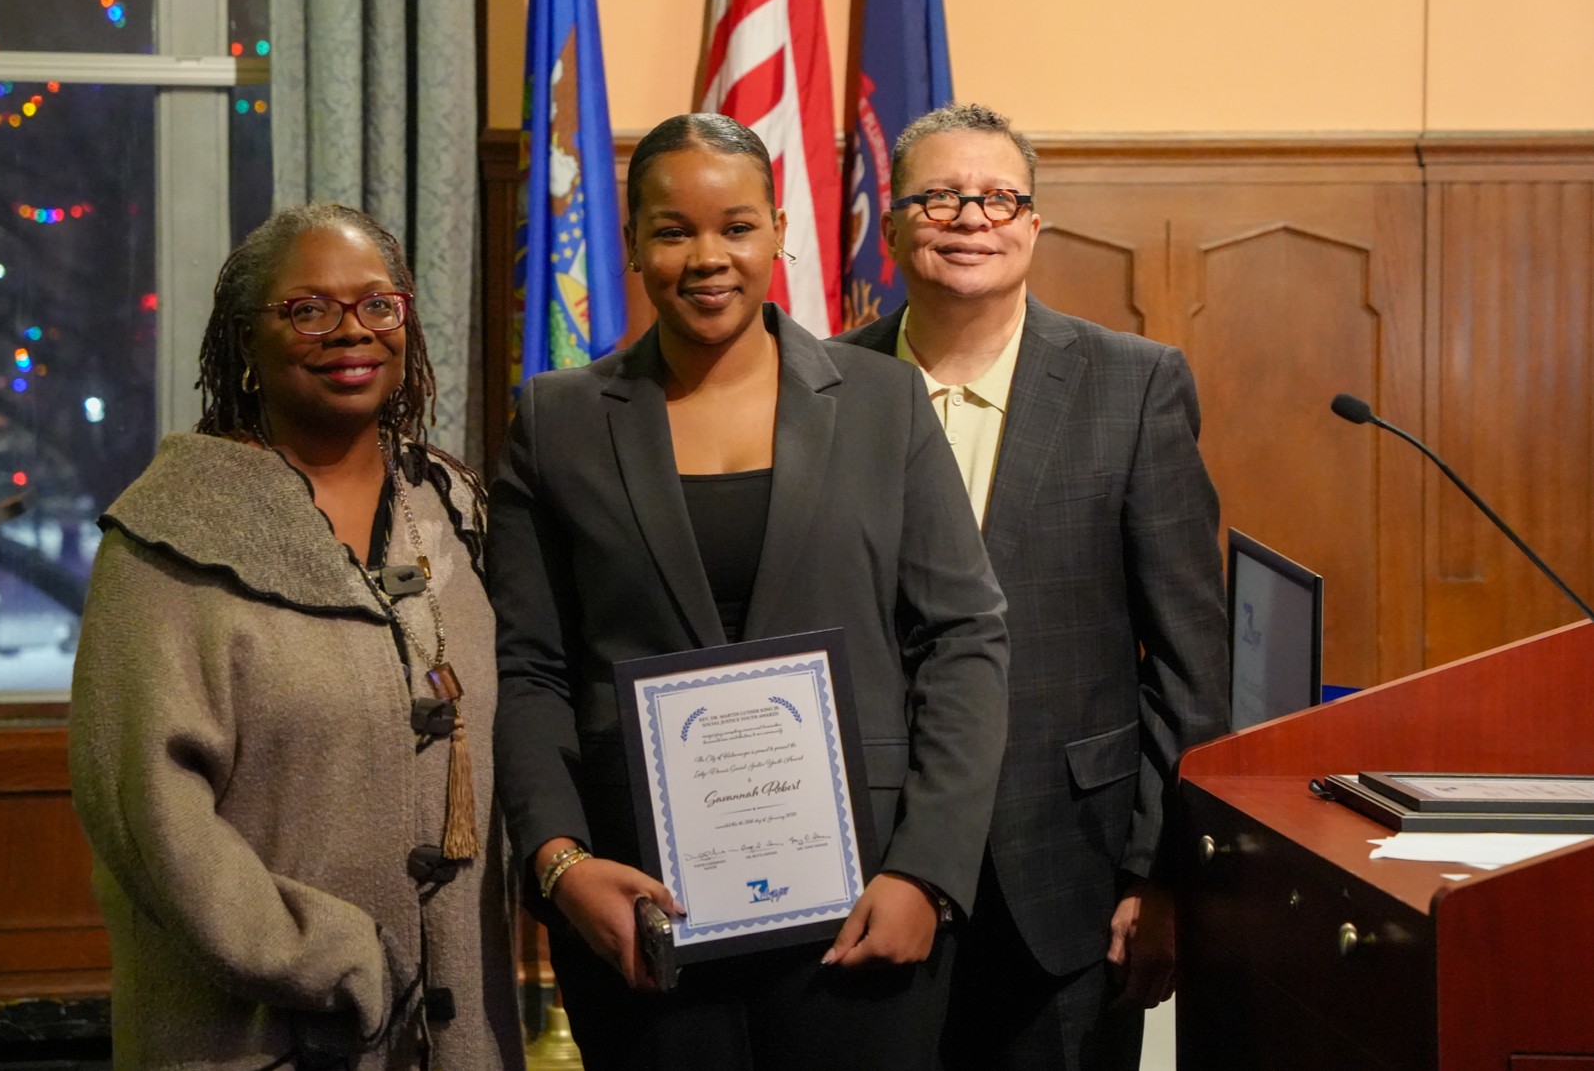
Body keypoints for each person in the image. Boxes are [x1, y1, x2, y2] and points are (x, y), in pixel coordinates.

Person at [490, 113, 1011, 1071]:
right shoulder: (556, 422)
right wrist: (561, 866)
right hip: (644, 906)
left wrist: (927, 872)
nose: (705, 258)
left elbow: (965, 638)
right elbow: (526, 666)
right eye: (672, 230)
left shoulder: (884, 402)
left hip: (863, 903)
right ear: (635, 244)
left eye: (735, 226)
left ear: (779, 229)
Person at [69, 203, 524, 1071]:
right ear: (246, 340)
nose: (350, 332)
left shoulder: (455, 511)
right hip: (258, 1034)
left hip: (459, 1038)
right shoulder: (168, 538)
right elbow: (144, 812)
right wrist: (324, 956)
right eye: (308, 309)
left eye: (376, 305)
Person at [839, 103, 1230, 1070]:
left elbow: (1188, 659)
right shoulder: (822, 389)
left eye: (998, 197)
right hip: (858, 871)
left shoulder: (1133, 386)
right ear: (890, 226)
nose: (971, 216)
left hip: (1067, 882)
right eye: (939, 196)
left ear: (1031, 226)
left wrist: (1162, 872)